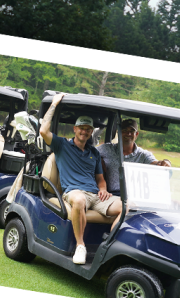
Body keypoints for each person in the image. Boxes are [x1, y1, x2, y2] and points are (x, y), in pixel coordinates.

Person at [40, 93, 123, 265]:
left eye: (88, 129)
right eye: (81, 128)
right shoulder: (62, 145)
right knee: (78, 200)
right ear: (75, 129)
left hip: (95, 195)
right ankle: (80, 246)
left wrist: (103, 189)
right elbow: (43, 131)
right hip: (73, 192)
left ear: (91, 132)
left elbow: (100, 179)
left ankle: (109, 246)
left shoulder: (94, 152)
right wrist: (54, 104)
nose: (84, 131)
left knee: (127, 206)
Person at [98, 118, 172, 194]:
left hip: (135, 195)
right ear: (119, 133)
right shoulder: (106, 149)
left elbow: (156, 163)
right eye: (125, 130)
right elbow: (90, 153)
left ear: (136, 134)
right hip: (112, 195)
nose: (128, 134)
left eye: (132, 131)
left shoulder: (143, 154)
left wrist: (166, 162)